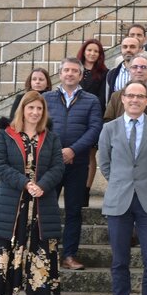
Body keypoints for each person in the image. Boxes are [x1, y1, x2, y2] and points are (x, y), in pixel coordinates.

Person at [0, 91, 64, 295]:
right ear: (22, 110)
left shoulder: (50, 137)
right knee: (12, 252)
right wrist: (25, 183)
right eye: (31, 108)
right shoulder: (6, 135)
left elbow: (58, 167)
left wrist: (42, 185)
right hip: (12, 203)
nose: (35, 112)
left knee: (35, 251)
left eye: (39, 109)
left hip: (41, 202)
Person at [98, 81, 147, 295]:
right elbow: (104, 163)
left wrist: (146, 183)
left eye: (140, 96)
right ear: (123, 98)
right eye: (131, 96)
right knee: (119, 260)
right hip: (119, 201)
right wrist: (121, 182)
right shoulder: (109, 128)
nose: (135, 100)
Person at [43, 58, 102, 272]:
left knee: (74, 211)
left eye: (74, 71)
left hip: (78, 163)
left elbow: (95, 128)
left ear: (80, 75)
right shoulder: (46, 98)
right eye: (66, 70)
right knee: (47, 210)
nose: (69, 74)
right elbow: (40, 127)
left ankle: (69, 255)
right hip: (51, 163)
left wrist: (73, 150)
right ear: (60, 74)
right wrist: (57, 151)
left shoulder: (92, 100)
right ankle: (46, 254)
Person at [78, 38, 109, 203]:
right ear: (84, 51)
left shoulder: (104, 72)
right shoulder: (76, 69)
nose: (92, 53)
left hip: (93, 117)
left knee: (90, 155)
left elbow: (102, 98)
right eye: (89, 50)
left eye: (96, 51)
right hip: (75, 117)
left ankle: (85, 190)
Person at [104, 53, 147, 121]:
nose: (139, 70)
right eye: (134, 67)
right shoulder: (116, 97)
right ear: (129, 71)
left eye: (143, 67)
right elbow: (108, 121)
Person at [104, 36, 142, 104]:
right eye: (125, 47)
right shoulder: (112, 74)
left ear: (140, 50)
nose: (128, 50)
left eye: (132, 47)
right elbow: (108, 101)